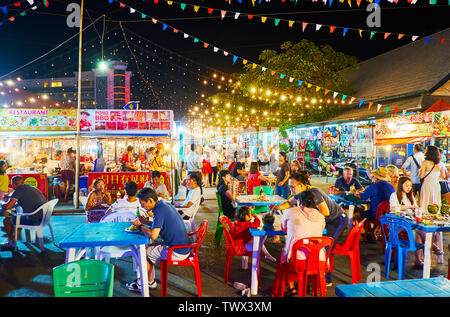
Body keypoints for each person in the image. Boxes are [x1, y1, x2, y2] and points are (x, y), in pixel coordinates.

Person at [272, 171, 347, 286]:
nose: (291, 190)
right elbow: (289, 203)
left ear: (302, 185)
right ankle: (310, 275)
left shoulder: (314, 193)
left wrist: (307, 217)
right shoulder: (300, 194)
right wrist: (277, 207)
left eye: (293, 187)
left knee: (324, 247)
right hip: (325, 221)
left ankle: (325, 280)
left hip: (337, 220)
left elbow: (325, 212)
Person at [126, 188, 192, 292]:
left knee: (144, 252)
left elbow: (153, 235)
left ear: (151, 200)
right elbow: (158, 225)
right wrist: (144, 222)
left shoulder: (159, 210)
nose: (143, 207)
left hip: (177, 250)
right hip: (184, 246)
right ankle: (150, 281)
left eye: (143, 204)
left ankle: (141, 283)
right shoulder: (164, 205)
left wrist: (139, 226)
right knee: (149, 249)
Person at [276, 190, 326, 296]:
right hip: (318, 261)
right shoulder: (321, 216)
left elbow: (284, 229)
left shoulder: (290, 212)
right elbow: (321, 231)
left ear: (299, 202)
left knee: (287, 253)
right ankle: (307, 283)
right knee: (307, 251)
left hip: (297, 262)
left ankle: (291, 286)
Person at [2, 175, 47, 247]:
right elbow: (22, 196)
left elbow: (8, 206)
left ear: (14, 184)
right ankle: (13, 239)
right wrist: (10, 197)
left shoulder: (18, 190)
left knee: (7, 220)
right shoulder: (30, 187)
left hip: (34, 219)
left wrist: (2, 204)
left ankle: (11, 243)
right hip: (44, 218)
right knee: (18, 218)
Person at [419, 145, 446, 209]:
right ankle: (436, 215)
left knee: (426, 201)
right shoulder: (440, 164)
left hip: (427, 185)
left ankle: (425, 215)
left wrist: (420, 172)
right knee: (435, 201)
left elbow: (421, 176)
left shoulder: (425, 162)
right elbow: (443, 176)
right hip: (436, 185)